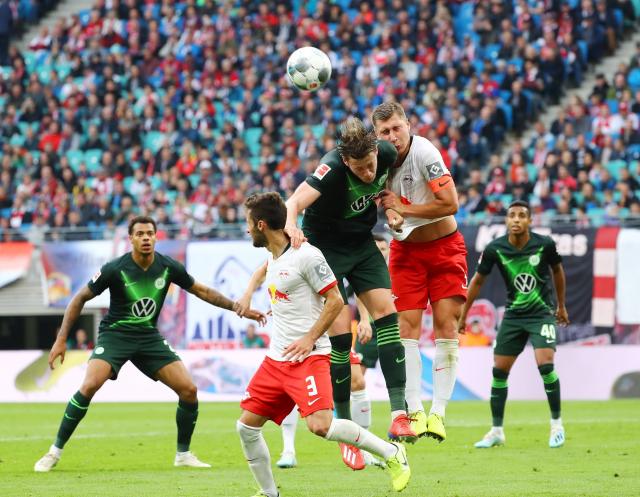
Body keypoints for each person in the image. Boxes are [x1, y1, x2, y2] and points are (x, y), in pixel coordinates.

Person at [34, 216, 266, 472]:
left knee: (189, 390)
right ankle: (53, 452)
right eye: (140, 234)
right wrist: (61, 339)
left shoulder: (167, 267)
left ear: (156, 237)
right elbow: (79, 298)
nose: (146, 238)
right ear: (131, 238)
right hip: (115, 335)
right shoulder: (115, 268)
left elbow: (203, 291)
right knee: (89, 385)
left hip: (148, 337)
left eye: (150, 233)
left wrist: (238, 307)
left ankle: (183, 454)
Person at [237, 192, 410, 497]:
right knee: (246, 427)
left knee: (321, 426)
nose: (246, 229)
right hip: (278, 359)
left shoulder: (307, 255)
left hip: (310, 356)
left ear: (261, 224)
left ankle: (392, 452)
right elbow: (265, 273)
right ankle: (268, 492)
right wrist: (249, 295)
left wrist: (309, 337)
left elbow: (335, 300)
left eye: (249, 223)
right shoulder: (273, 256)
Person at [283, 117, 414, 449]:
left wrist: (393, 208)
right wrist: (292, 227)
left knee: (388, 316)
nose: (368, 172)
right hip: (325, 250)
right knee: (341, 337)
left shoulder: (383, 152)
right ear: (345, 161)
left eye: (370, 164)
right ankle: (345, 431)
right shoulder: (330, 169)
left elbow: (388, 186)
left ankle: (400, 413)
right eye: (360, 168)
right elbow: (293, 203)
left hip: (362, 243)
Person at [372, 101, 468, 443]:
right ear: (377, 135)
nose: (393, 136)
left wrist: (404, 210)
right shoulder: (378, 164)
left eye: (397, 128)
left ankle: (438, 414)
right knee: (406, 330)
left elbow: (450, 203)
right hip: (406, 253)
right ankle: (413, 411)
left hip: (444, 248)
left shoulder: (425, 153)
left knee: (446, 326)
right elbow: (390, 211)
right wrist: (394, 216)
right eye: (385, 132)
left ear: (408, 126)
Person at [458, 201, 569, 449]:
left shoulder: (544, 244)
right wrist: (464, 314)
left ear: (530, 221)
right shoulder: (495, 249)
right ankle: (496, 431)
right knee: (499, 372)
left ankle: (556, 425)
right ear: (506, 221)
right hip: (514, 316)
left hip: (541, 314)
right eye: (512, 216)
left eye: (522, 216)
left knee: (546, 366)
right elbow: (476, 282)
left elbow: (558, 272)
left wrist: (561, 306)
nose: (516, 219)